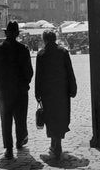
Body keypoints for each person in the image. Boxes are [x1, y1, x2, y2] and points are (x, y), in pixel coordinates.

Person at [0, 21, 34, 160]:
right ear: (17, 34)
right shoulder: (23, 49)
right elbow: (29, 71)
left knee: (6, 119)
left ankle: (8, 149)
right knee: (20, 118)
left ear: (6, 33)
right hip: (20, 90)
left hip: (3, 91)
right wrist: (24, 83)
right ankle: (20, 140)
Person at [35, 30, 77, 159]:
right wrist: (73, 88)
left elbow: (39, 76)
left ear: (44, 40)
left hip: (48, 93)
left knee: (50, 116)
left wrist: (37, 92)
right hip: (62, 91)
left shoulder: (41, 54)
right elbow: (69, 71)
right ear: (55, 38)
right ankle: (57, 143)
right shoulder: (63, 52)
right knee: (61, 115)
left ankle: (54, 144)